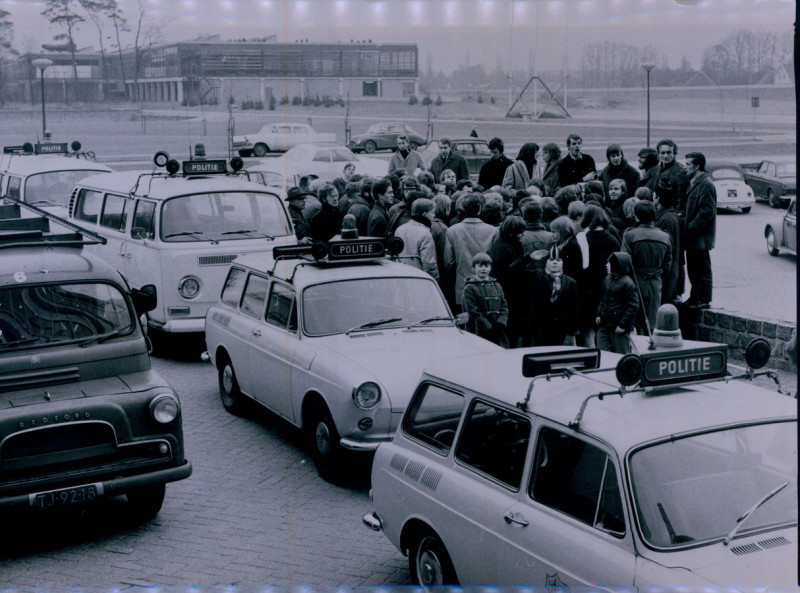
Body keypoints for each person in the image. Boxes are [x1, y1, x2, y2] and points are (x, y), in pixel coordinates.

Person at [622, 200, 672, 332]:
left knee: (634, 322)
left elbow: (624, 263)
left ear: (636, 216)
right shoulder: (665, 236)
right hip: (655, 282)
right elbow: (667, 264)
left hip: (635, 281)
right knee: (653, 323)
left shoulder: (629, 234)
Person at [444, 193, 497, 313]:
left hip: (462, 284)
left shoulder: (452, 231)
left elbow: (448, 262)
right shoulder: (493, 231)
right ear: (479, 209)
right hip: (487, 285)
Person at [579, 204, 621, 347]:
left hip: (587, 288)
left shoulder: (582, 239)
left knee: (588, 326)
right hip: (608, 287)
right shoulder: (612, 240)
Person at [520, 255, 578, 347]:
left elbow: (573, 310)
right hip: (538, 330)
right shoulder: (536, 276)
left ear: (563, 263)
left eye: (558, 260)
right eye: (551, 259)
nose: (555, 262)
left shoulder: (570, 282)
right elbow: (513, 271)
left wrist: (570, 333)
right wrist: (529, 258)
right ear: (546, 263)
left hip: (560, 331)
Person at [683, 151, 716, 309]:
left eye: (688, 165)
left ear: (697, 166)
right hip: (693, 238)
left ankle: (703, 300)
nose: (685, 168)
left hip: (699, 238)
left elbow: (706, 212)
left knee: (701, 270)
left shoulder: (706, 184)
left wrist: (690, 227)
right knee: (694, 269)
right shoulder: (695, 182)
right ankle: (695, 297)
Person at [488, 216, 525, 347]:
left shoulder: (498, 244)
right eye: (520, 232)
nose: (522, 235)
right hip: (511, 295)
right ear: (513, 232)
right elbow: (511, 272)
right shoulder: (510, 249)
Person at [595, 252, 639, 354]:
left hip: (619, 329)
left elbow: (633, 306)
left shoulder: (628, 284)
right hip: (605, 325)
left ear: (616, 265)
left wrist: (622, 325)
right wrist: (598, 313)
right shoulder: (607, 279)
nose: (606, 265)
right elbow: (603, 298)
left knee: (621, 355)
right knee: (603, 354)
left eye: (609, 263)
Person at [462, 252, 509, 346]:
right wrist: (487, 326)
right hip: (479, 331)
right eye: (480, 266)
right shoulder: (470, 288)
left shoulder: (497, 286)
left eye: (486, 266)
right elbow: (472, 311)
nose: (483, 269)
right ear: (474, 268)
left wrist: (501, 323)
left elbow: (504, 307)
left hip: (497, 331)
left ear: (490, 268)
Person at [394, 198, 439, 280]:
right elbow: (429, 264)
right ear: (424, 214)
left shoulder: (400, 229)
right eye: (432, 212)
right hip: (418, 279)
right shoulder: (425, 233)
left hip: (402, 276)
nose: (434, 215)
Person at [653, 178, 682, 305]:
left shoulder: (666, 218)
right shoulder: (669, 215)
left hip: (667, 276)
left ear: (658, 197)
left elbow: (666, 248)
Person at [652, 139, 690, 213]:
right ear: (658, 154)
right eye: (662, 153)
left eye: (669, 153)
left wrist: (677, 216)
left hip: (671, 214)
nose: (665, 156)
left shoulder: (680, 171)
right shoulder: (658, 168)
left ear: (674, 154)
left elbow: (681, 198)